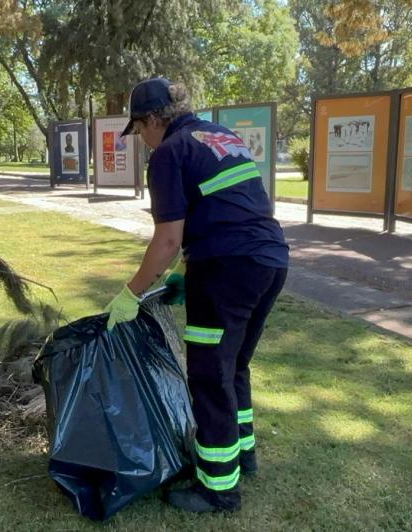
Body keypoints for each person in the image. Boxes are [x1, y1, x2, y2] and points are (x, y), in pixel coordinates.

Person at [104, 77, 289, 513]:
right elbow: (225, 207)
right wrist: (187, 276)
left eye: (141, 131)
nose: (144, 142)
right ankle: (241, 455)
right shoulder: (219, 135)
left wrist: (131, 293)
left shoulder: (169, 153)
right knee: (234, 366)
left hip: (226, 270)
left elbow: (167, 240)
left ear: (153, 120)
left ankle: (219, 488)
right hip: (270, 260)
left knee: (208, 375)